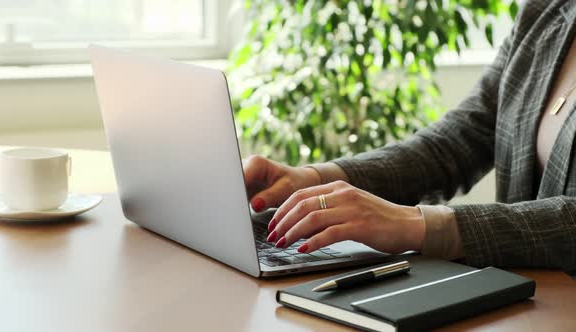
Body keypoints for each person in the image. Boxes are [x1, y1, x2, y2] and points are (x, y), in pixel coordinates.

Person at [242, 0, 576, 274]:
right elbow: (454, 142)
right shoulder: (545, 12)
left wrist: (419, 226)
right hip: (529, 306)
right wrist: (313, 179)